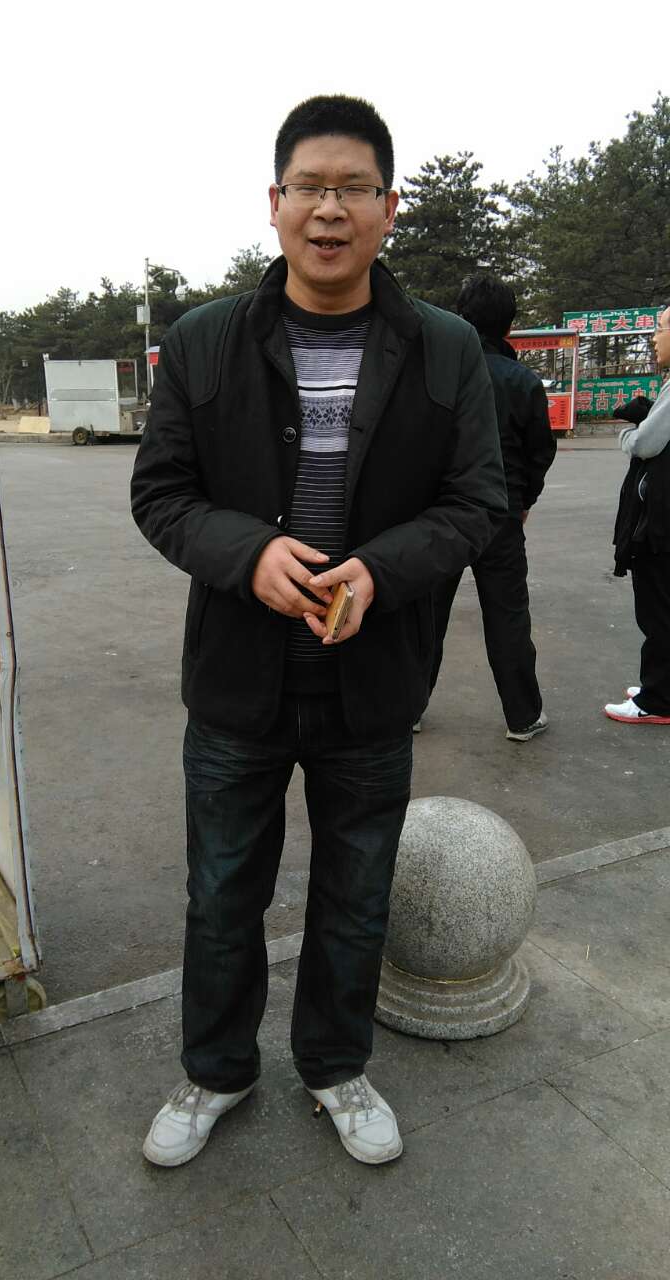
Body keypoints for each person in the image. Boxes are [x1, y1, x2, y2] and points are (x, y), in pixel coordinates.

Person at [130, 94, 506, 1168]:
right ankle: (216, 1070)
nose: (329, 209)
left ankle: (336, 1065)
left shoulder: (444, 349)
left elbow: (478, 499)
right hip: (237, 688)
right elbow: (161, 493)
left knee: (355, 895)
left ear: (390, 207)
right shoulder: (206, 341)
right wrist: (248, 553)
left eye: (353, 189)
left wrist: (380, 570)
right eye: (309, 187)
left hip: (371, 686)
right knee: (222, 894)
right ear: (274, 202)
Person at [420, 274, 556, 741]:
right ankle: (523, 716)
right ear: (510, 326)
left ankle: (409, 709)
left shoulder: (441, 374)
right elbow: (540, 450)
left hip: (442, 514)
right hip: (500, 512)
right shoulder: (523, 381)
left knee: (426, 614)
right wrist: (525, 499)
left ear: (460, 317)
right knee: (508, 615)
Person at [605, 305, 670, 725]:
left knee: (658, 610)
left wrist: (628, 432)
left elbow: (646, 442)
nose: (654, 338)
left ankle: (657, 700)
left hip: (661, 526)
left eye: (661, 329)